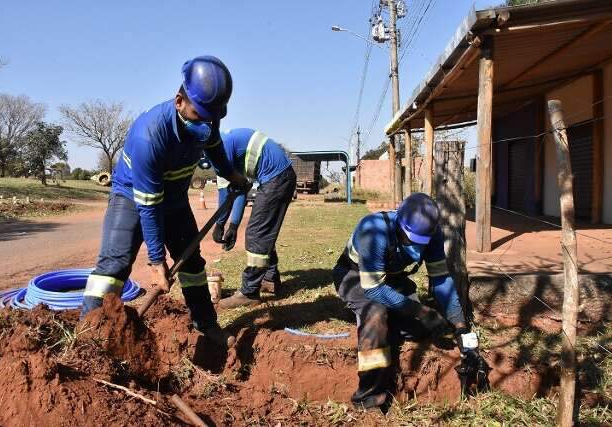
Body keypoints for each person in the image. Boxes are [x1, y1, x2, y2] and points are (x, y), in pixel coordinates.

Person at [80, 56, 248, 347]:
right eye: (200, 114)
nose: (206, 123)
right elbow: (148, 208)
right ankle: (89, 337)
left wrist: (232, 175)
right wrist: (156, 261)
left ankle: (206, 326)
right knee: (115, 264)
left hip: (174, 197)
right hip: (132, 197)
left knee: (192, 263)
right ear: (179, 100)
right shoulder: (149, 137)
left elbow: (215, 146)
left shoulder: (207, 120)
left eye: (212, 116)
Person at [332, 193, 489, 409]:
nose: (416, 251)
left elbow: (441, 279)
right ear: (399, 226)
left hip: (392, 278)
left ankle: (385, 322)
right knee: (375, 316)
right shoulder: (374, 230)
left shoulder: (433, 235)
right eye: (410, 241)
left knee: (421, 329)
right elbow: (374, 289)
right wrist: (422, 311)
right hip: (355, 277)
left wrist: (461, 326)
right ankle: (368, 398)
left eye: (421, 244)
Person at [206, 128, 297, 309]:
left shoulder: (220, 149)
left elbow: (225, 192)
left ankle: (249, 292)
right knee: (264, 231)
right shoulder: (226, 141)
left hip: (275, 179)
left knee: (256, 234)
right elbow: (240, 188)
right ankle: (269, 279)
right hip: (280, 177)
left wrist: (220, 224)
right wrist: (233, 225)